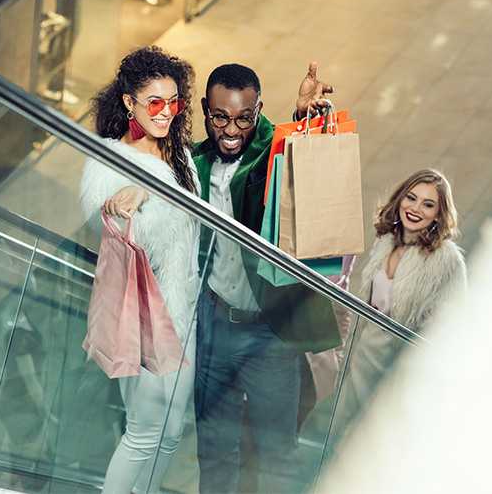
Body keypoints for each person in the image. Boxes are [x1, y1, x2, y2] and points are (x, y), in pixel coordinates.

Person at [191, 62, 342, 493]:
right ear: (206, 110)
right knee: (214, 450)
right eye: (220, 117)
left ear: (258, 110)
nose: (232, 129)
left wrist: (303, 120)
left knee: (277, 454)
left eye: (245, 117)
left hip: (268, 336)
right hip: (214, 326)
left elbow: (285, 156)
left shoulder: (265, 152)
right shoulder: (195, 162)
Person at [79, 46, 201, 493]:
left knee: (169, 435)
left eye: (174, 103)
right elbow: (111, 224)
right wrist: (139, 195)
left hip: (183, 309)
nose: (166, 112)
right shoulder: (108, 162)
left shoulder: (180, 157)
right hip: (145, 314)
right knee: (145, 431)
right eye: (155, 102)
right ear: (129, 102)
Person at [331, 169, 467, 437]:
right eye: (411, 198)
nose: (415, 209)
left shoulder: (446, 259)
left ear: (439, 214)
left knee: (380, 438)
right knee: (343, 432)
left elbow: (457, 326)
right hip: (366, 355)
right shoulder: (386, 240)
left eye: (428, 204)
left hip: (403, 366)